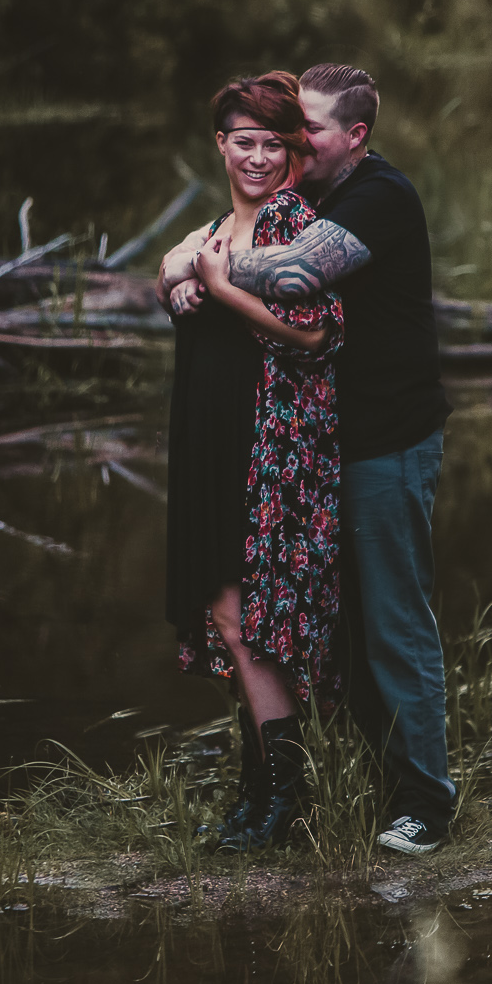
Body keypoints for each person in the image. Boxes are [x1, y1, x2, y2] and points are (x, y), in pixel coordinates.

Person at [189, 63, 454, 856]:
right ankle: (365, 785)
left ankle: (426, 806)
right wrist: (186, 257)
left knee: (394, 623)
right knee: (333, 629)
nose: (295, 140)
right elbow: (238, 234)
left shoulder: (380, 196)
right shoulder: (313, 193)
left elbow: (299, 274)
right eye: (288, 127)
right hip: (322, 448)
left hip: (389, 442)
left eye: (311, 129)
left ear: (357, 136)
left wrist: (201, 268)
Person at [156, 71, 344, 853]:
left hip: (270, 449)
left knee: (249, 626)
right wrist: (176, 279)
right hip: (212, 443)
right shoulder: (212, 233)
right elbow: (188, 275)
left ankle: (282, 803)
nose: (259, 156)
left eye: (274, 142)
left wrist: (213, 286)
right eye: (244, 141)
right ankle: (253, 794)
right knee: (229, 622)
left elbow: (317, 329)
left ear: (292, 149)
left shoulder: (294, 221)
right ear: (220, 145)